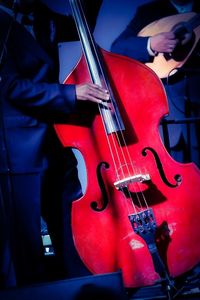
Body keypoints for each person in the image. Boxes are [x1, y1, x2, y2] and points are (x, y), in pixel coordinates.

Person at [0, 0, 109, 289]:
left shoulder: (44, 17)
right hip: (19, 149)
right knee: (26, 243)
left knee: (70, 224)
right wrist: (73, 93)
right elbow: (10, 87)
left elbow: (82, 22)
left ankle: (81, 288)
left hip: (56, 140)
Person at [111, 0, 200, 168]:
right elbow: (117, 47)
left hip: (197, 101)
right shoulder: (149, 11)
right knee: (178, 175)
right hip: (168, 113)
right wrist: (150, 44)